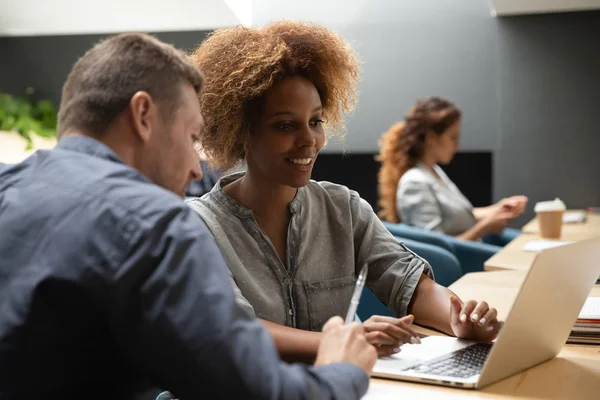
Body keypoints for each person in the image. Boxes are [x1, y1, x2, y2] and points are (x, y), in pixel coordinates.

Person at [0, 32, 378, 400]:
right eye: (191, 138)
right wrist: (341, 370)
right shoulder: (154, 224)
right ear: (143, 114)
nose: (197, 170)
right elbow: (252, 390)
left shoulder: (7, 187)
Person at [187, 21, 503, 365]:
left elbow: (409, 284)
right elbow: (233, 328)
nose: (310, 140)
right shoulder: (199, 225)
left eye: (316, 121)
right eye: (285, 125)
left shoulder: (342, 208)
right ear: (240, 132)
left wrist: (458, 319)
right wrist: (343, 342)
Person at [377, 97, 528, 241]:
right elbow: (435, 249)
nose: (457, 146)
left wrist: (498, 209)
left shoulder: (434, 171)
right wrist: (486, 226)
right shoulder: (414, 182)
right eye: (453, 137)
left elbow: (460, 216)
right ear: (431, 137)